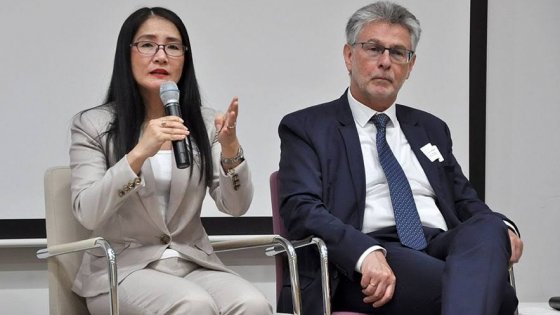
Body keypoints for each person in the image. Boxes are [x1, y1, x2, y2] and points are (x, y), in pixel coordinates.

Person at [277, 2, 523, 315]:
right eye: (373, 49)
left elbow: (465, 201)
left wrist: (505, 229)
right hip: (366, 257)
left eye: (397, 53)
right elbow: (302, 209)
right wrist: (364, 252)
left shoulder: (431, 128)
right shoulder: (308, 127)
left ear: (410, 65)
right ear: (349, 56)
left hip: (439, 247)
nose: (385, 62)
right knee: (499, 297)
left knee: (490, 225)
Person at [69, 7, 272, 315]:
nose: (161, 56)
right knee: (193, 304)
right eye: (148, 44)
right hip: (122, 271)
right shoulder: (94, 125)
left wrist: (231, 149)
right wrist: (139, 153)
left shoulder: (203, 123)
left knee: (254, 304)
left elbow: (236, 207)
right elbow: (87, 212)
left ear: (184, 58)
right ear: (127, 54)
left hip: (193, 263)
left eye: (173, 46)